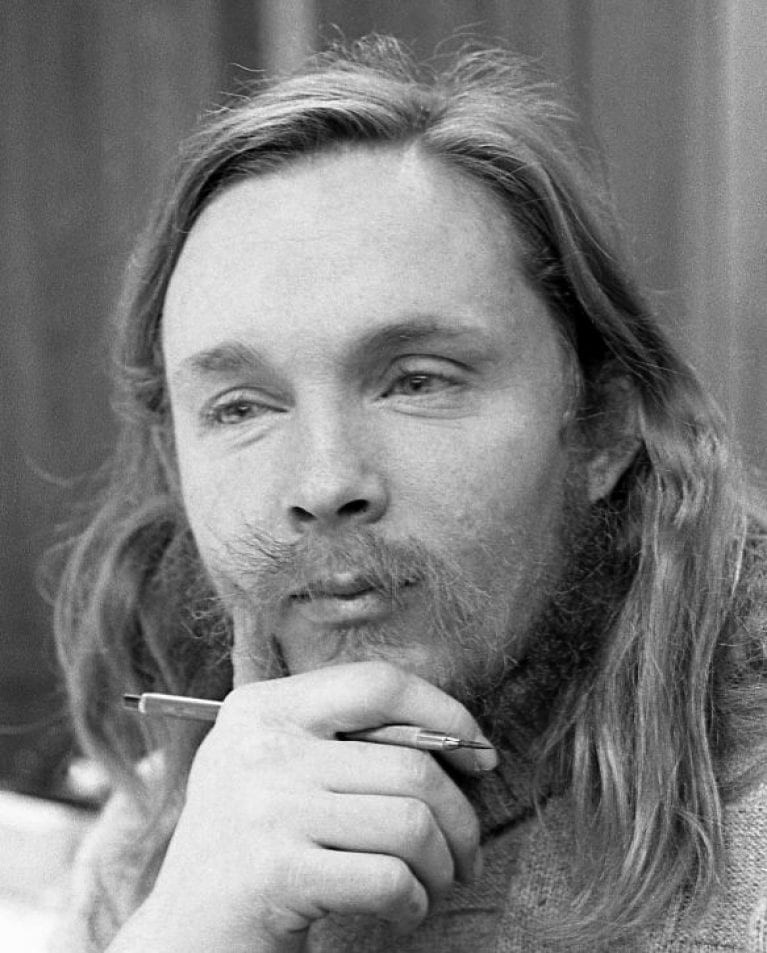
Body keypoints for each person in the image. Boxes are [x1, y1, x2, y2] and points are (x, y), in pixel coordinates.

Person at [51, 35, 767, 952]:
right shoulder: (163, 835)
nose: (322, 484)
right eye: (241, 407)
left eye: (416, 380)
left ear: (601, 428)